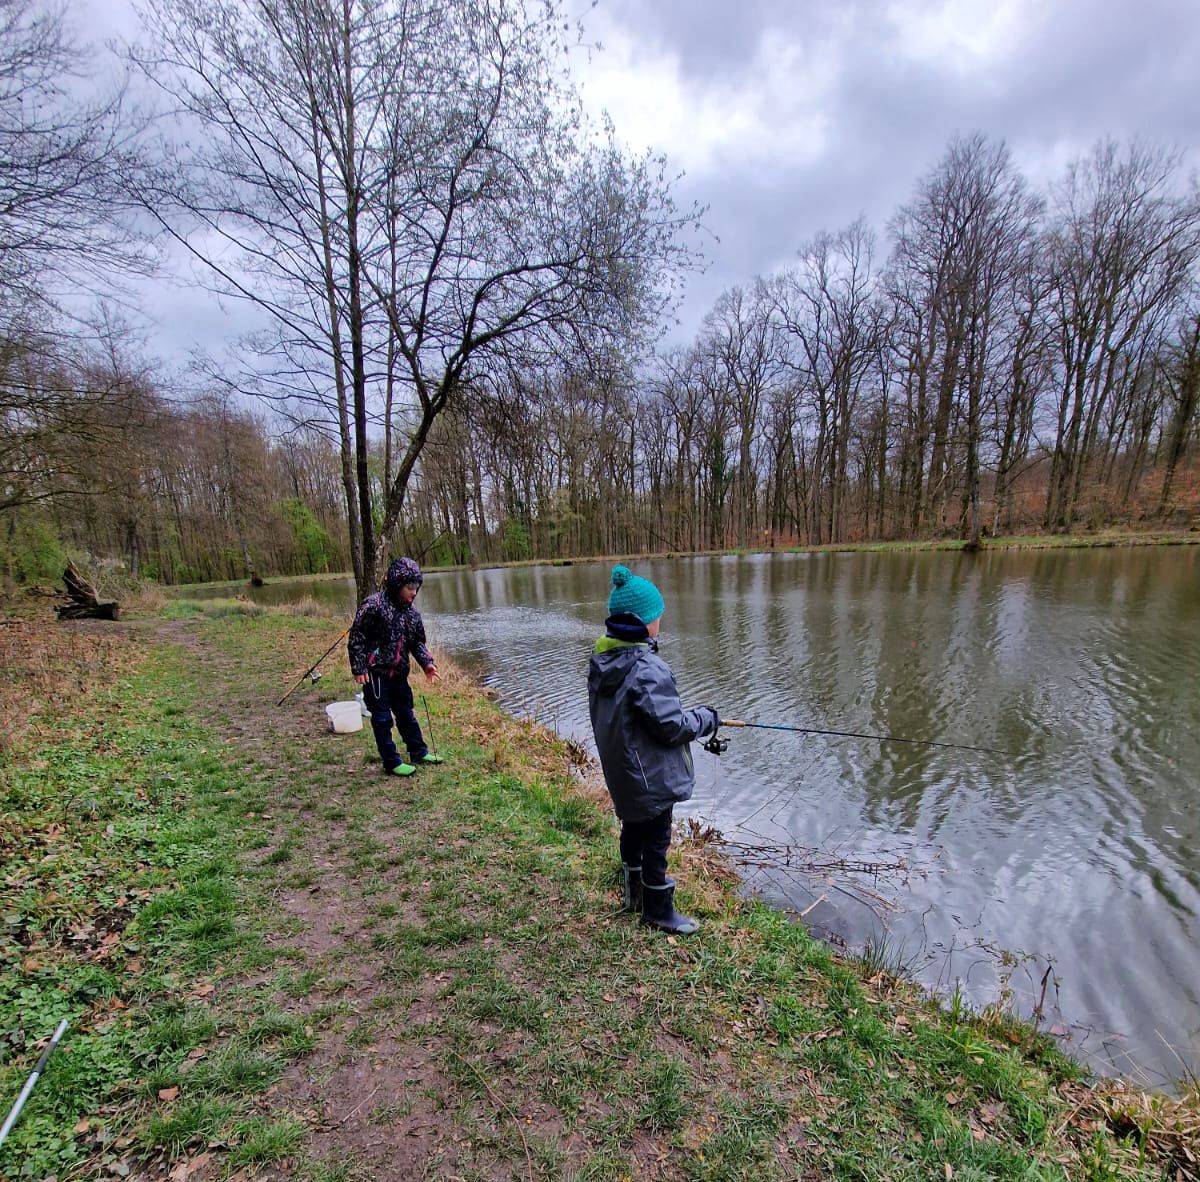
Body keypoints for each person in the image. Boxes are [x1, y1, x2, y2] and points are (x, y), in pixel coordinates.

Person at [587, 565, 720, 935]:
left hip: (625, 773)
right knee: (658, 839)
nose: (661, 619)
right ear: (645, 623)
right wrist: (706, 718)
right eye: (657, 615)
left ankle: (633, 892)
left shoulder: (602, 660)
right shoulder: (646, 668)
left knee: (632, 828)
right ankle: (657, 910)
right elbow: (673, 727)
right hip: (651, 779)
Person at [348, 557, 443, 777]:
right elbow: (357, 638)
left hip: (399, 674)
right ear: (396, 584)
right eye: (410, 587)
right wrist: (359, 668)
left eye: (416, 587)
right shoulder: (373, 605)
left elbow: (417, 643)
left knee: (407, 714)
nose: (414, 592)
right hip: (375, 674)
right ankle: (391, 762)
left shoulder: (412, 614)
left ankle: (418, 752)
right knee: (382, 719)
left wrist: (427, 664)